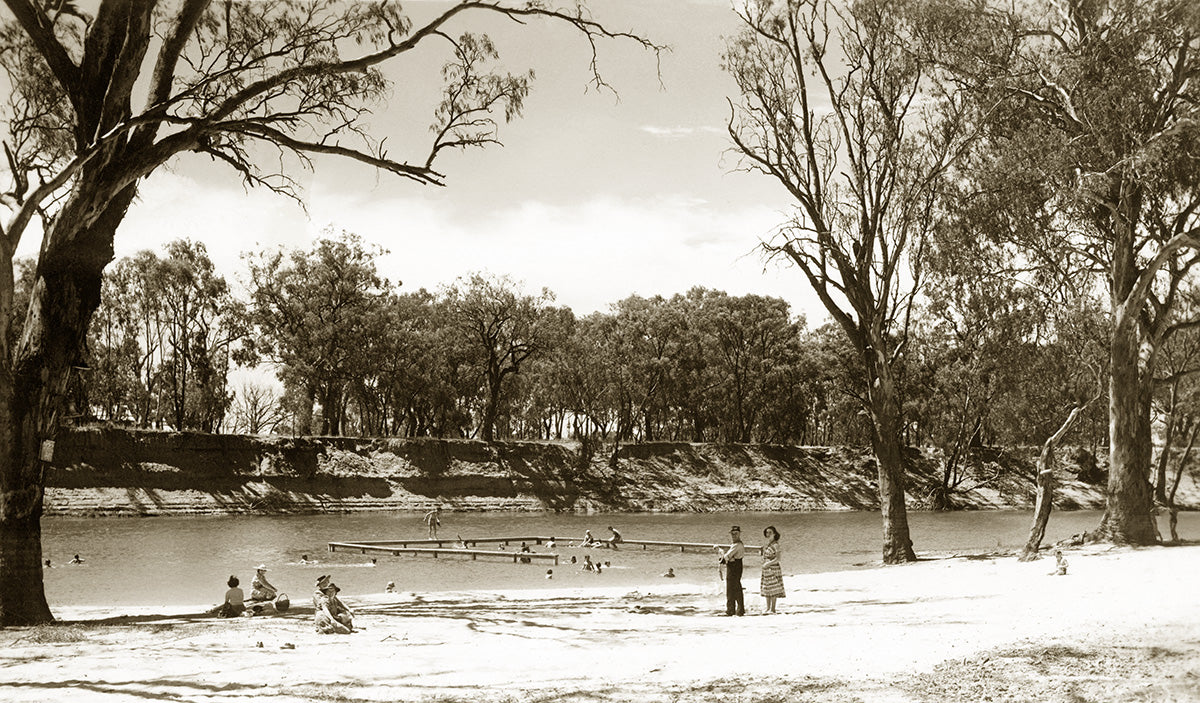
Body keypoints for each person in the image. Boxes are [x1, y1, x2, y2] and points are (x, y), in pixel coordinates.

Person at [716, 525, 745, 616]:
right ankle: (736, 610)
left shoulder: (737, 545)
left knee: (733, 588)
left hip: (735, 566)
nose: (734, 535)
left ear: (739, 534)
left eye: (736, 534)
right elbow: (727, 557)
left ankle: (734, 610)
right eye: (732, 534)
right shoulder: (735, 544)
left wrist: (722, 559)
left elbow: (727, 556)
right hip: (734, 565)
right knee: (734, 588)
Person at [760, 526, 785, 614]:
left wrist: (768, 563)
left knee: (774, 588)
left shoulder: (776, 545)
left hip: (773, 568)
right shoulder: (768, 545)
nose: (768, 534)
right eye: (767, 533)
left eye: (770, 532)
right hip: (767, 568)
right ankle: (767, 608)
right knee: (767, 588)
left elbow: (778, 558)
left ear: (774, 534)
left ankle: (773, 609)